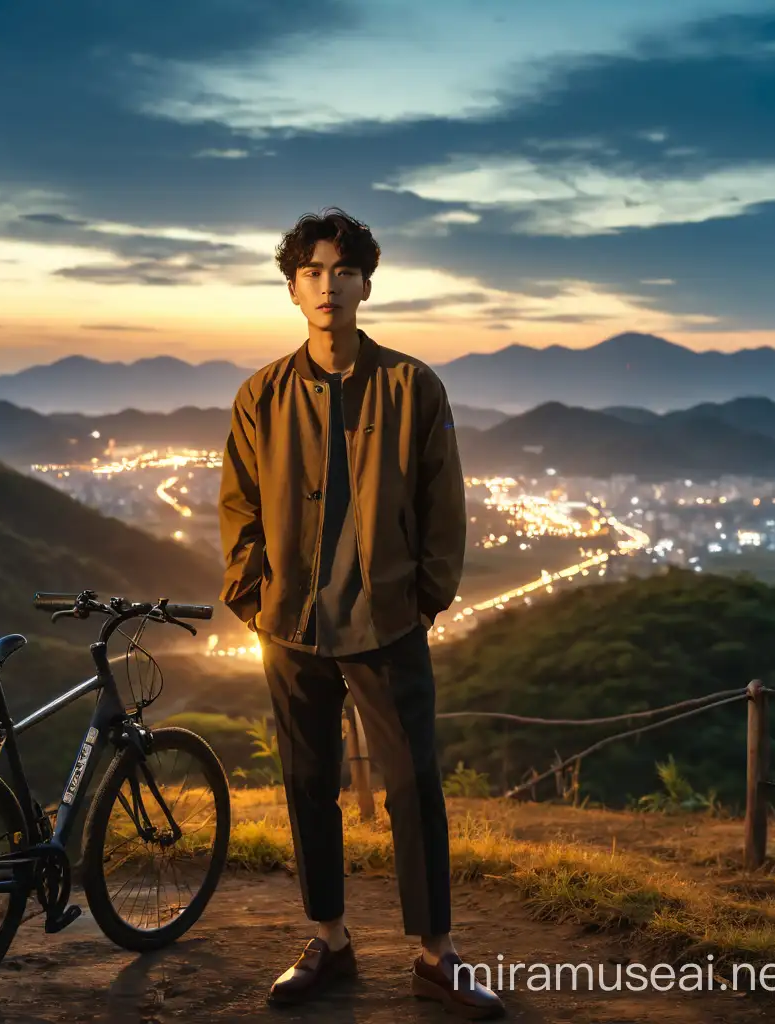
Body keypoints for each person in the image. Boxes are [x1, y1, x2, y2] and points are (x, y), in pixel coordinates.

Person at [217, 208, 504, 1019]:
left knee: (414, 782)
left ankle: (435, 953)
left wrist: (424, 597)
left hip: (385, 622)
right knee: (309, 782)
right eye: (312, 271)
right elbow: (237, 506)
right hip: (292, 626)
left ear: (366, 284)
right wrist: (252, 595)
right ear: (291, 286)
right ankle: (329, 939)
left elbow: (443, 504)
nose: (328, 285)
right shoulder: (261, 395)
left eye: (343, 271)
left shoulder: (413, 386)